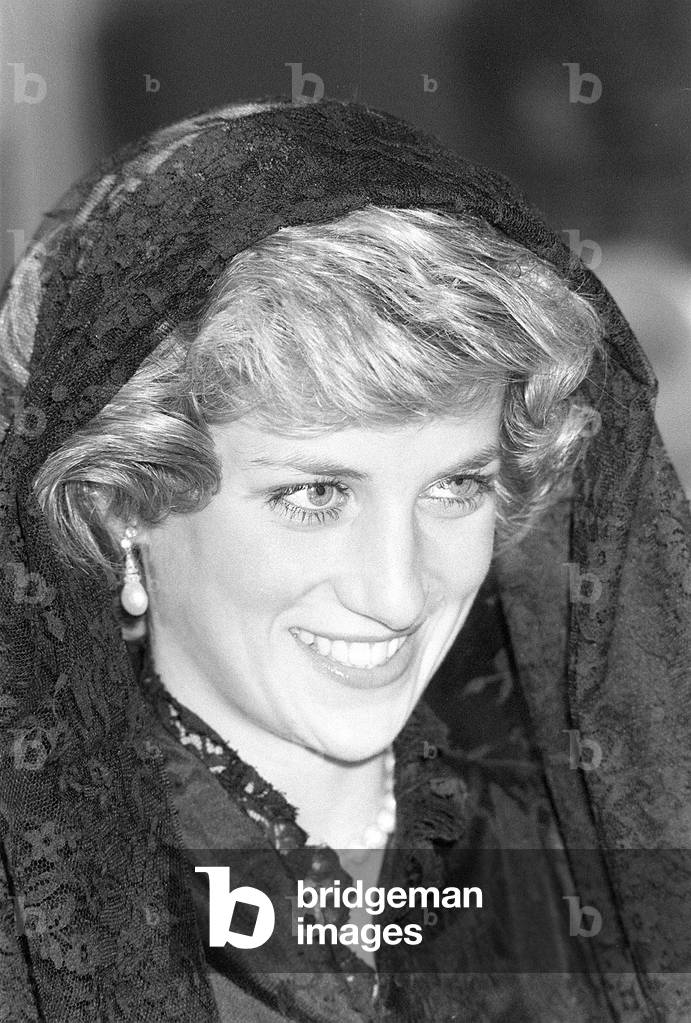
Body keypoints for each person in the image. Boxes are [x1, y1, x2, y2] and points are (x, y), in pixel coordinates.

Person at [0, 98, 689, 1022]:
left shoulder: (585, 846)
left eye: (455, 488)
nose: (398, 591)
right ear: (124, 505)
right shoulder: (44, 917)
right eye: (315, 495)